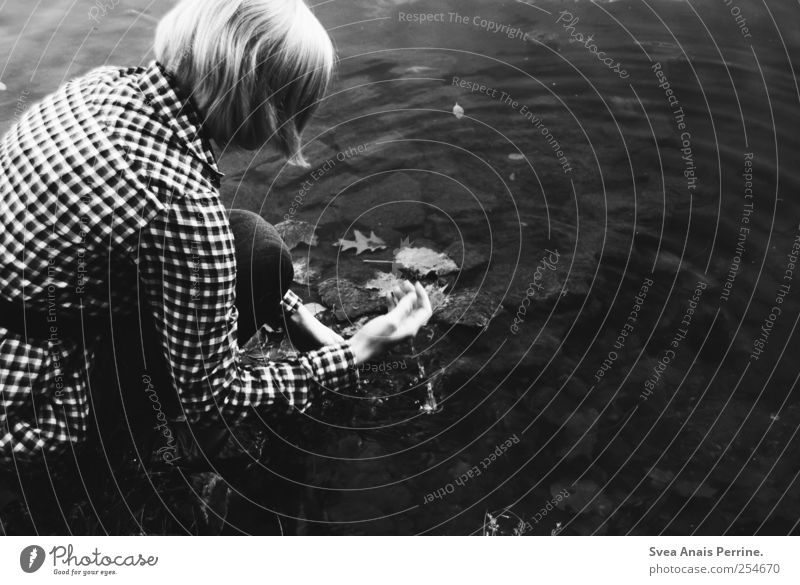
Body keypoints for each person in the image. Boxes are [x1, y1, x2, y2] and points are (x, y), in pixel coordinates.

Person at [0, 0, 432, 465]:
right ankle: (125, 435)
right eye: (292, 104)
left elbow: (155, 232)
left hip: (23, 327)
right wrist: (359, 350)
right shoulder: (181, 204)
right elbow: (212, 398)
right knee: (261, 251)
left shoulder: (100, 86)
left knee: (248, 242)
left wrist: (299, 317)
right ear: (264, 101)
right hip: (32, 404)